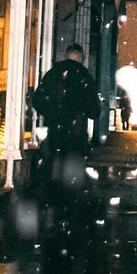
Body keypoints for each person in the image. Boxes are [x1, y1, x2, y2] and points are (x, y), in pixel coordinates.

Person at [30, 43, 99, 192]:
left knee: (52, 175)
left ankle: (51, 203)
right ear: (82, 58)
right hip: (76, 136)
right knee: (72, 182)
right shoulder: (85, 77)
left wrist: (51, 112)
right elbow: (94, 111)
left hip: (54, 134)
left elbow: (37, 101)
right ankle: (69, 204)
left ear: (66, 56)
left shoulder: (52, 74)